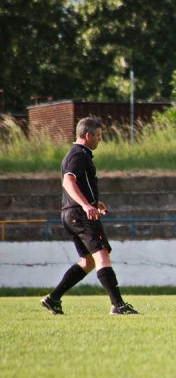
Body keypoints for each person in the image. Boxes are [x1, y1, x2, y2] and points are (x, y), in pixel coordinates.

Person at [39, 117, 138, 315]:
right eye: (98, 135)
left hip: (70, 214)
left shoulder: (73, 154)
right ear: (87, 135)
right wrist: (85, 205)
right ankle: (118, 305)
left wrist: (93, 202)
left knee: (88, 261)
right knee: (102, 255)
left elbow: (77, 183)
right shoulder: (80, 154)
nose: (100, 139)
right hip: (80, 214)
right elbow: (68, 181)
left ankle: (53, 299)